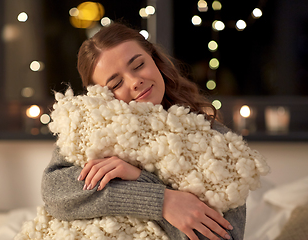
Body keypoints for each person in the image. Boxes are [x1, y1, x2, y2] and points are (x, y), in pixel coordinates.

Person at [42, 22, 246, 240]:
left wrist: (137, 177)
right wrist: (160, 200)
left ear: (154, 59)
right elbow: (56, 194)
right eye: (116, 83)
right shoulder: (91, 130)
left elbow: (223, 237)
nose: (135, 81)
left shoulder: (215, 139)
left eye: (138, 65)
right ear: (99, 95)